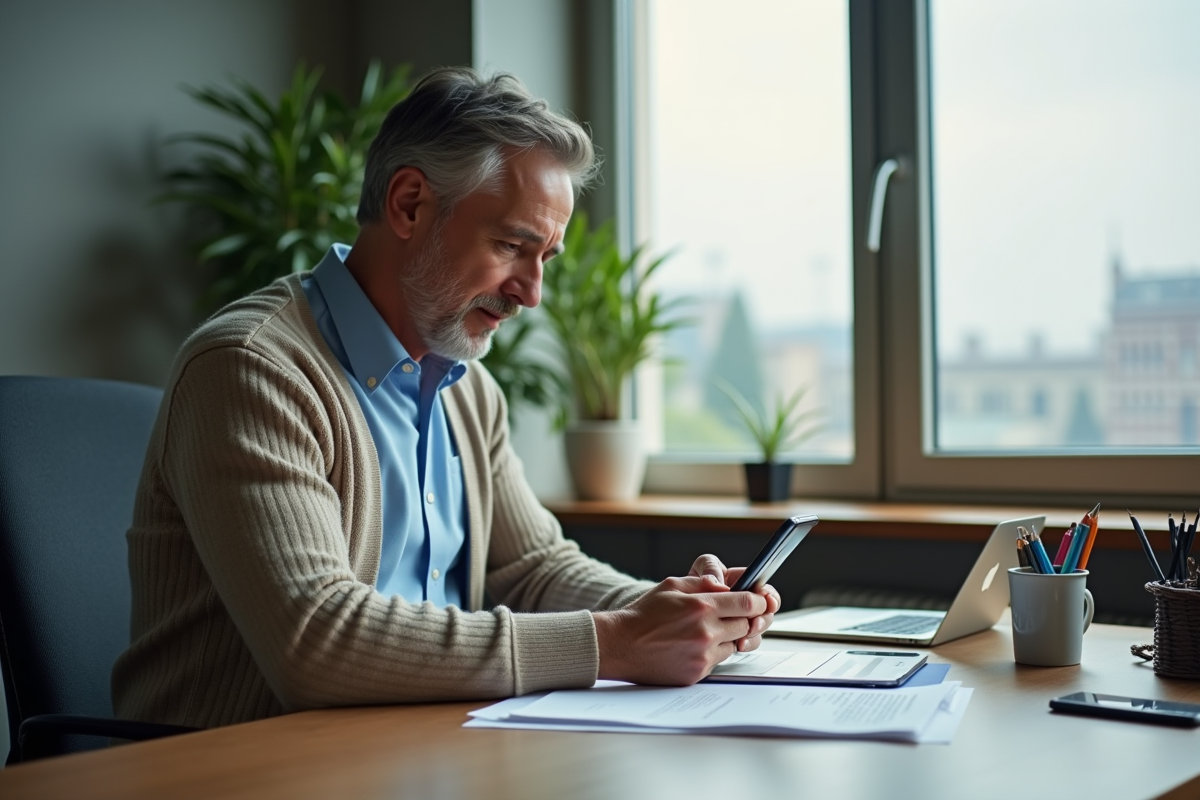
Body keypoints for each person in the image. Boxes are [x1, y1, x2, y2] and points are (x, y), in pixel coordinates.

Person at [112, 67, 780, 729]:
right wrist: (617, 641)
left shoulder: (469, 389)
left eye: (545, 257)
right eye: (513, 246)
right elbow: (315, 642)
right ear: (408, 204)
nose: (531, 292)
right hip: (232, 769)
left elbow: (532, 569)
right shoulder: (251, 368)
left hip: (410, 751)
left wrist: (677, 614)